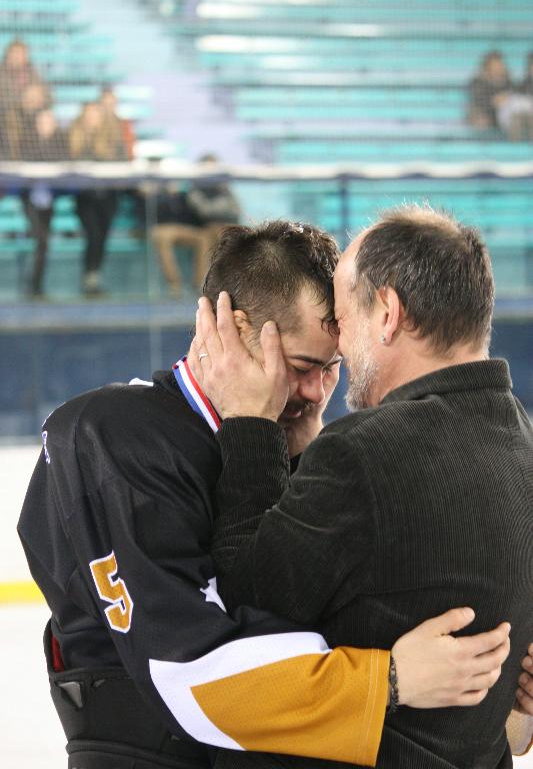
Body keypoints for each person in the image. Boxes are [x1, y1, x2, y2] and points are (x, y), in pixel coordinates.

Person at [17, 220, 516, 769]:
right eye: (302, 367)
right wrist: (390, 679)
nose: (317, 392)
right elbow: (186, 671)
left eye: (331, 368)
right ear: (232, 328)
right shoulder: (110, 434)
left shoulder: (295, 440)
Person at [193, 209, 533, 767]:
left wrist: (251, 423)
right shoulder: (522, 442)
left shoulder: (363, 453)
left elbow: (242, 604)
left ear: (388, 314)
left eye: (345, 318)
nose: (342, 348)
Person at [152, 154, 240, 297]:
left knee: (218, 236)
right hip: (205, 228)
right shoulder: (192, 190)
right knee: (211, 234)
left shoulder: (224, 190)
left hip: (220, 227)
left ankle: (215, 285)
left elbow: (235, 210)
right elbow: (204, 211)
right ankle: (182, 286)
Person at [69, 100, 129, 296]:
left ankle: (94, 277)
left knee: (102, 237)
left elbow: (122, 163)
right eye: (89, 114)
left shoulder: (112, 138)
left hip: (108, 198)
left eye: (96, 114)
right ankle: (89, 278)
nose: (92, 118)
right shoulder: (75, 138)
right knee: (93, 235)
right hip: (85, 199)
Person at [21, 108, 69, 298]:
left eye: (49, 121)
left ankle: (36, 283)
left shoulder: (59, 144)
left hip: (49, 200)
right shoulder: (27, 144)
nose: (45, 125)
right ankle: (34, 284)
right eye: (42, 121)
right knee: (40, 240)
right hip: (30, 200)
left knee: (43, 242)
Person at [0, 40, 51, 160]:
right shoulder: (2, 73)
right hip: (7, 114)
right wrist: (23, 101)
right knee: (12, 120)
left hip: (32, 114)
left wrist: (39, 96)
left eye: (21, 53)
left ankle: (41, 158)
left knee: (46, 118)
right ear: (8, 55)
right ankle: (13, 158)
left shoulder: (33, 73)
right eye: (15, 53)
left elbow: (49, 96)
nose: (18, 57)